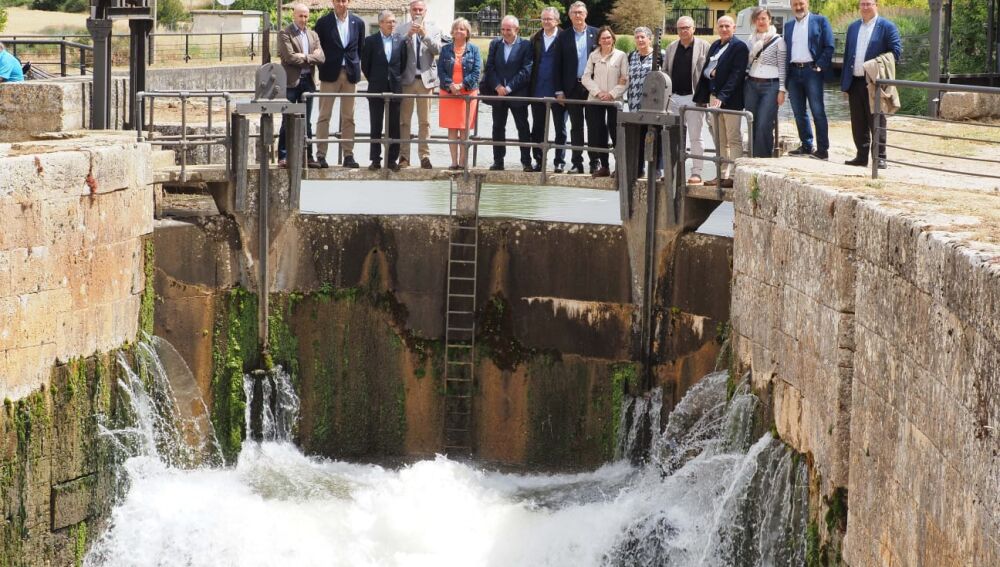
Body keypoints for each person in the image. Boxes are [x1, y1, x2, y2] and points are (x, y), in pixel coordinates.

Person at [841, 0, 901, 169]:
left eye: (869, 4)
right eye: (862, 4)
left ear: (876, 5)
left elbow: (896, 53)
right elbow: (847, 55)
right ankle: (861, 156)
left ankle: (880, 157)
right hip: (854, 82)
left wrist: (876, 64)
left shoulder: (887, 27)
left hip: (875, 83)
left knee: (877, 120)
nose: (865, 7)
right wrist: (844, 84)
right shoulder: (853, 27)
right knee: (858, 122)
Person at [693, 15, 748, 189]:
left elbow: (736, 75)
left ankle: (734, 176)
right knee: (720, 138)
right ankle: (722, 174)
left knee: (733, 138)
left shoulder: (739, 47)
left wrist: (722, 96)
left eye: (727, 26)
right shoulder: (716, 45)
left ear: (734, 28)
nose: (724, 29)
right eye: (721, 26)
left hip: (730, 99)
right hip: (713, 96)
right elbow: (706, 70)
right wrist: (711, 75)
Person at [314, 0, 367, 168]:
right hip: (329, 74)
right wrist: (323, 67)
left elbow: (360, 49)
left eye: (344, 1)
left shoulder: (358, 23)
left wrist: (354, 65)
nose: (341, 4)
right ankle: (321, 155)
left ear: (348, 2)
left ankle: (348, 155)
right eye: (338, 1)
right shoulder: (323, 23)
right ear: (333, 2)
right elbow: (317, 49)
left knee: (349, 117)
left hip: (350, 74)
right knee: (324, 116)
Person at [784, 0, 834, 160]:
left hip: (812, 71)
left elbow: (829, 46)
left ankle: (823, 150)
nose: (798, 7)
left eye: (801, 3)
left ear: (808, 3)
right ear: (791, 6)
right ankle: (806, 145)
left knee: (817, 111)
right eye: (795, 4)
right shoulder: (788, 26)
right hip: (793, 72)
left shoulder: (820, 21)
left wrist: (819, 65)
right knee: (799, 112)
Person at [483, 15, 534, 171]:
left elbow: (526, 70)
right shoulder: (495, 44)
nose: (505, 33)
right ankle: (498, 161)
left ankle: (526, 161)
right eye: (503, 29)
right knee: (498, 127)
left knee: (523, 127)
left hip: (518, 93)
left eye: (508, 30)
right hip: (498, 94)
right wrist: (498, 86)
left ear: (517, 29)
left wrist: (509, 87)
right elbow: (489, 67)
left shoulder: (526, 45)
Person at [277, 3, 324, 169]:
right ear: (294, 16)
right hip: (291, 83)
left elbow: (322, 58)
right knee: (286, 119)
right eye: (300, 16)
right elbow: (289, 57)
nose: (303, 19)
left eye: (306, 16)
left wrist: (304, 56)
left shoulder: (313, 35)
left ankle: (308, 156)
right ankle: (283, 156)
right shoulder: (285, 33)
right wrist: (311, 57)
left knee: (307, 121)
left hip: (308, 82)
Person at [664, 16, 710, 184]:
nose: (683, 31)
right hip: (674, 98)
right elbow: (665, 71)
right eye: (680, 28)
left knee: (695, 137)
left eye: (686, 27)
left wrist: (706, 96)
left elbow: (710, 72)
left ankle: (696, 172)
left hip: (694, 98)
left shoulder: (704, 46)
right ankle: (674, 172)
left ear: (693, 29)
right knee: (674, 137)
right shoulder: (671, 47)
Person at [397, 0, 442, 169]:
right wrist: (408, 36)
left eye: (420, 10)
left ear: (425, 11)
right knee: (404, 121)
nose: (417, 12)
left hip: (426, 81)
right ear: (410, 11)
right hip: (407, 81)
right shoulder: (401, 28)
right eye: (414, 9)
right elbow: (396, 50)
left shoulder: (434, 29)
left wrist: (424, 35)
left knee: (425, 121)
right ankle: (404, 156)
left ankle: (424, 156)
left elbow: (438, 50)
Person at [554, 1, 598, 174]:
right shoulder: (563, 36)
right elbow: (557, 65)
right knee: (576, 126)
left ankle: (594, 162)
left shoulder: (596, 33)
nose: (577, 15)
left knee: (594, 125)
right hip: (572, 88)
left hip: (592, 87)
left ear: (586, 14)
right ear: (569, 15)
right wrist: (559, 91)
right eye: (574, 13)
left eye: (580, 12)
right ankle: (577, 163)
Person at [361, 10, 407, 170]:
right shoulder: (370, 41)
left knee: (394, 126)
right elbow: (365, 65)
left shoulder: (401, 40)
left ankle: (391, 160)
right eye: (388, 21)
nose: (392, 24)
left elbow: (403, 64)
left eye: (394, 21)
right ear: (380, 23)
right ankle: (375, 160)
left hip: (395, 86)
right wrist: (377, 79)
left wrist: (392, 78)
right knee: (375, 125)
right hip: (376, 87)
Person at [581, 26, 627, 178]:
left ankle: (619, 167)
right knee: (598, 132)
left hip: (615, 101)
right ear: (599, 41)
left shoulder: (621, 56)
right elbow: (586, 77)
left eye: (608, 37)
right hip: (596, 100)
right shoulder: (593, 56)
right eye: (603, 38)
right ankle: (604, 166)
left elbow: (625, 79)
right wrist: (598, 92)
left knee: (616, 132)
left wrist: (612, 94)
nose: (606, 40)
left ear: (613, 39)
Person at [438, 18, 481, 170]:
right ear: (452, 31)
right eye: (456, 28)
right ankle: (453, 162)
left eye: (462, 29)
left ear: (467, 32)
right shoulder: (445, 49)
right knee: (452, 128)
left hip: (467, 94)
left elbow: (477, 71)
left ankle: (463, 162)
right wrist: (450, 85)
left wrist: (462, 85)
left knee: (464, 128)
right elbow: (440, 71)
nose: (459, 31)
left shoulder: (474, 50)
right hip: (448, 93)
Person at [744, 7, 786, 158]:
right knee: (752, 122)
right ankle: (752, 156)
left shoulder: (778, 40)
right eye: (757, 19)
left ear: (769, 20)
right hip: (751, 85)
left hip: (771, 86)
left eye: (763, 18)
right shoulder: (751, 40)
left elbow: (782, 66)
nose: (760, 22)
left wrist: (782, 90)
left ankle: (762, 158)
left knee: (764, 123)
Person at [528, 6, 565, 172]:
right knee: (537, 128)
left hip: (559, 92)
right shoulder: (535, 38)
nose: (546, 22)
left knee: (560, 129)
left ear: (556, 21)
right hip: (538, 90)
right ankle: (539, 160)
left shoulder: (565, 37)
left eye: (549, 19)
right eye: (543, 19)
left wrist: (563, 89)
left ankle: (559, 161)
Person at [626, 26, 665, 177]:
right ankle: (638, 168)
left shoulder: (660, 55)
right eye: (637, 37)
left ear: (650, 39)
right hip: (635, 102)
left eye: (643, 37)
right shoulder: (631, 56)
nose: (640, 40)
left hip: (655, 102)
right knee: (638, 135)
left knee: (657, 134)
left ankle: (657, 168)